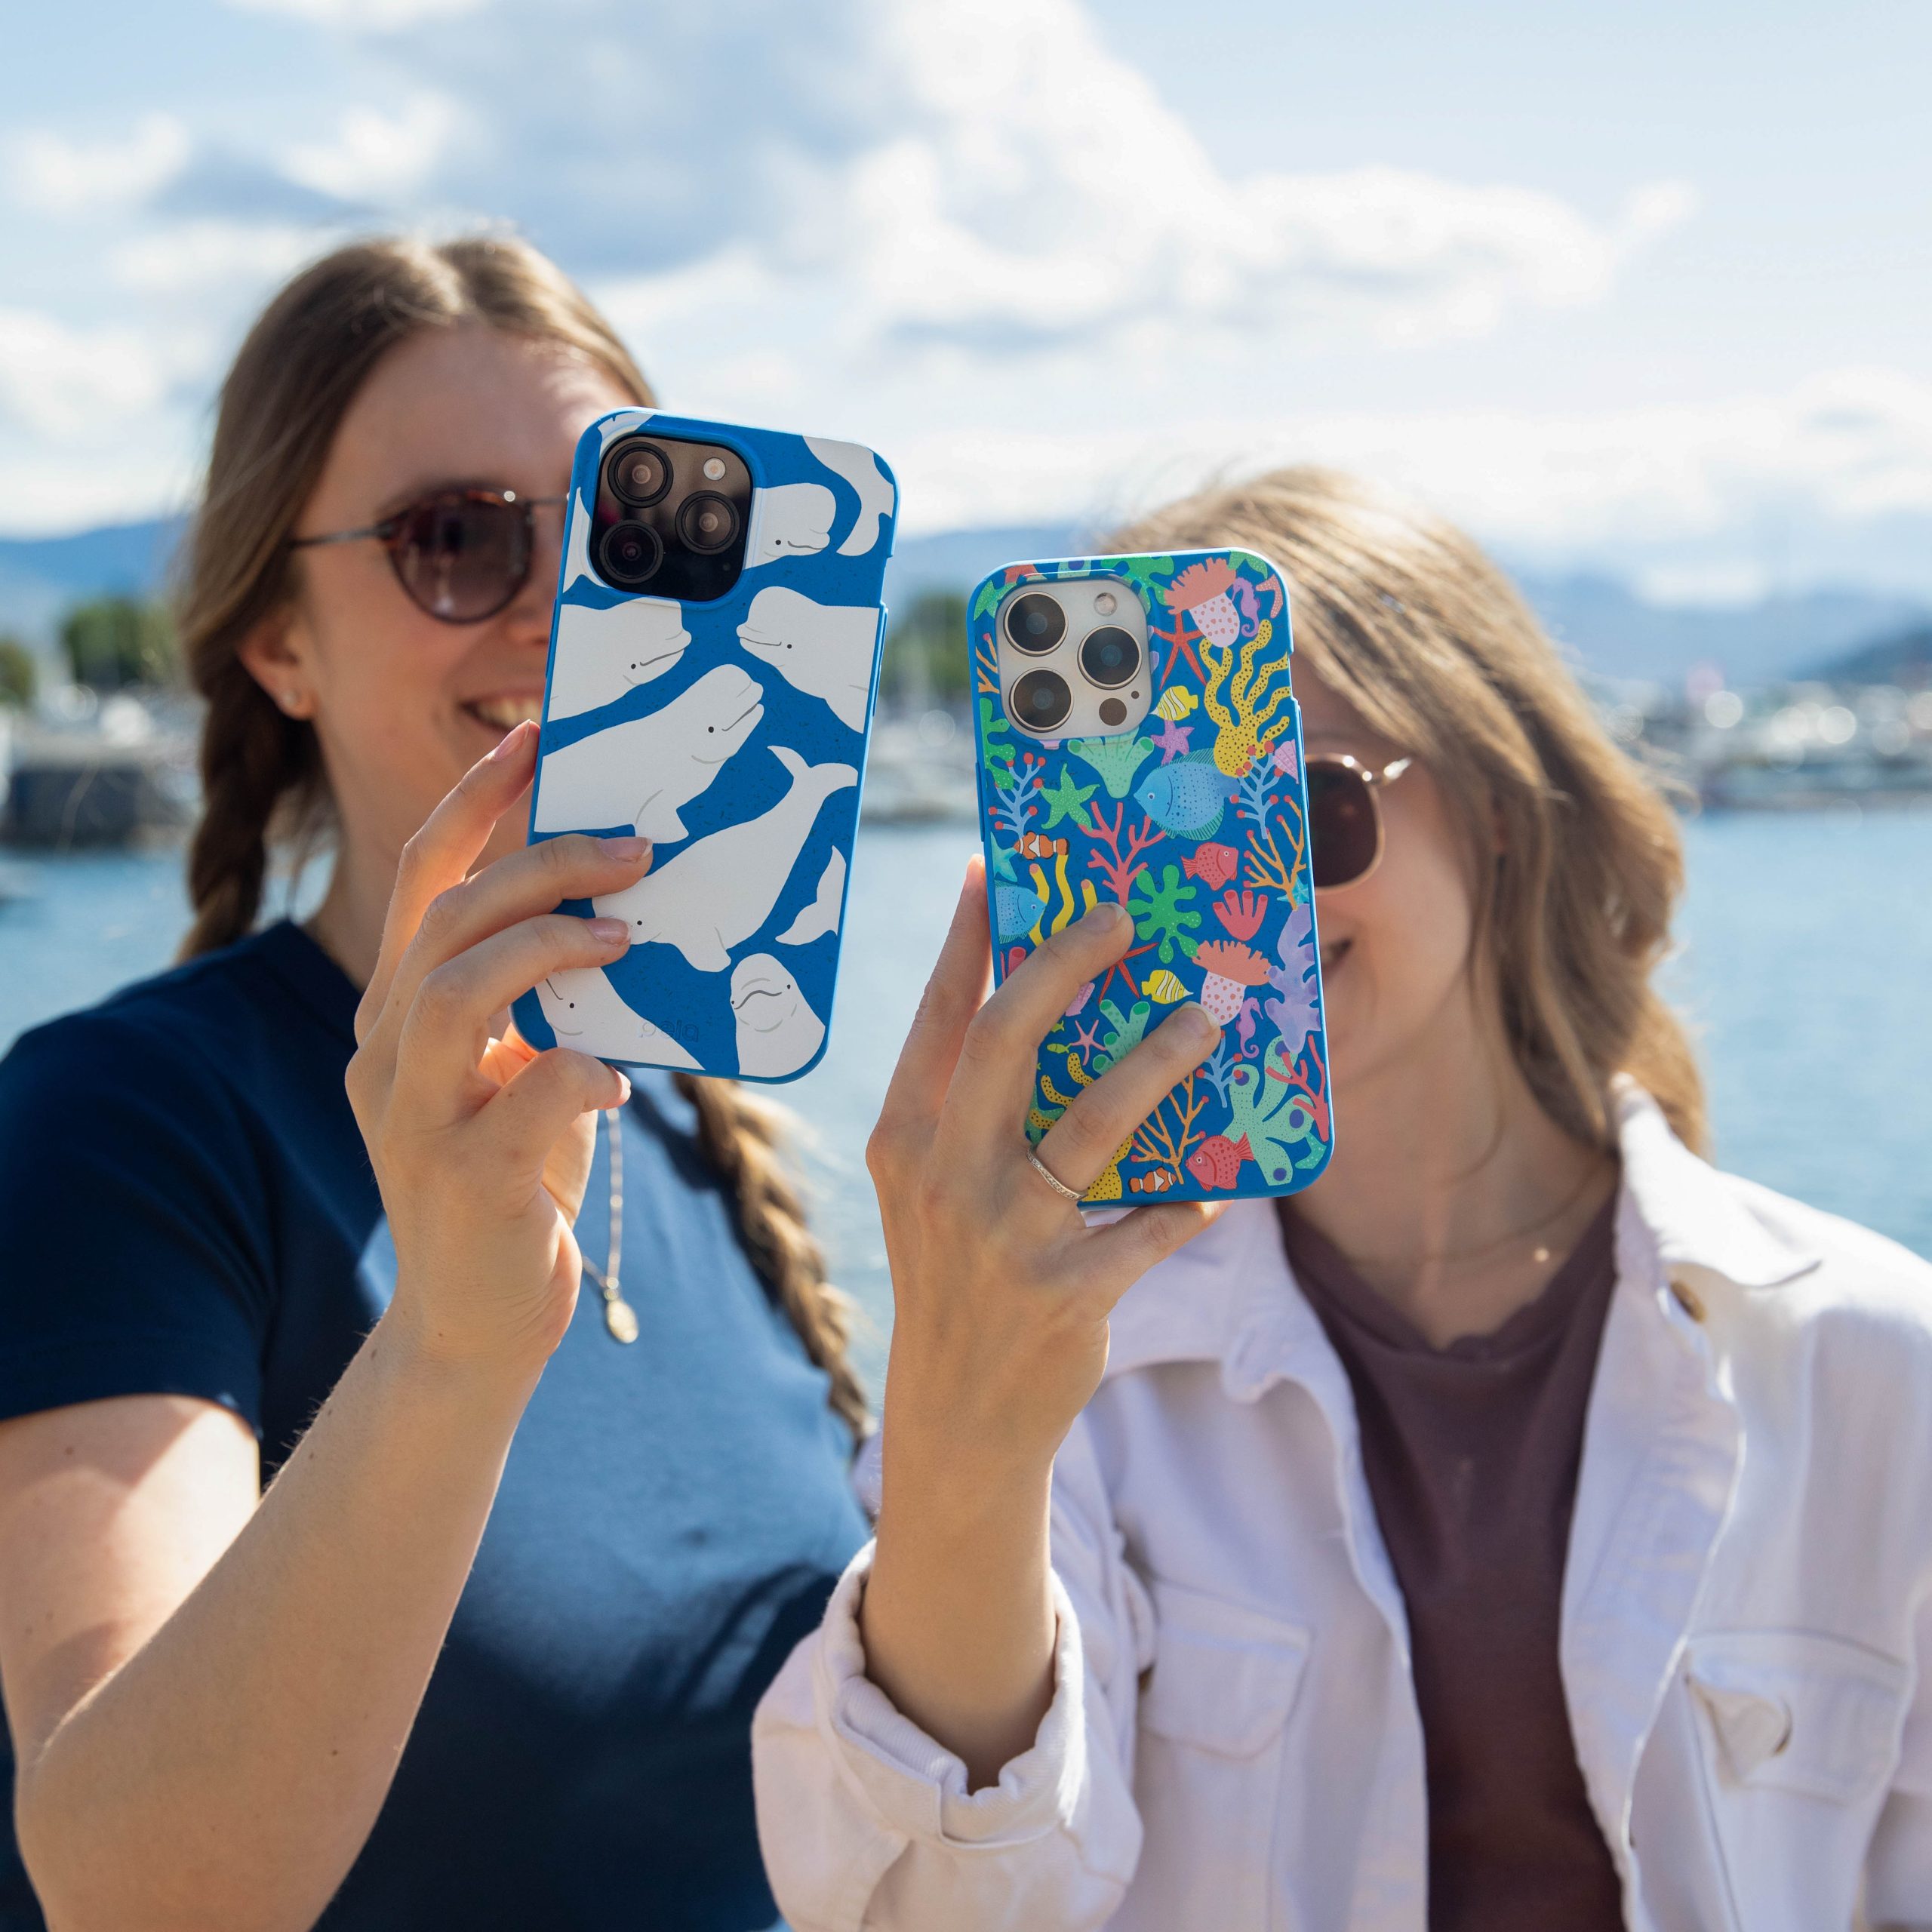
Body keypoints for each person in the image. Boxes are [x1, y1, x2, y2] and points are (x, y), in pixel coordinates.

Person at [752, 469, 1932, 1931]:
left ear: (1498, 802)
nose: (1242, 904)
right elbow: (928, 1902)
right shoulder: (1080, 1367)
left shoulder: (1870, 1356)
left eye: (1301, 810)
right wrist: (957, 1404)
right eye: (1157, 840)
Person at [0, 235, 870, 1932]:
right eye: (458, 540)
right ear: (277, 644)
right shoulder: (125, 1122)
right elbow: (132, 1888)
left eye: (631, 539)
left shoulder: (691, 1124)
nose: (565, 608)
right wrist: (454, 1348)